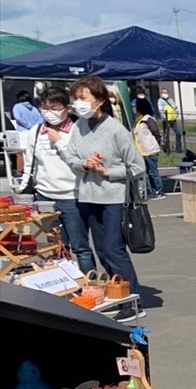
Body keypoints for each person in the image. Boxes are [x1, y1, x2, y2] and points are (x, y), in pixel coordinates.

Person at [59, 75, 146, 316]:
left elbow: (137, 166)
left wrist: (109, 172)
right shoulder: (79, 126)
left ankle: (132, 301)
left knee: (113, 249)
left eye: (82, 98)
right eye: (75, 98)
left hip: (113, 198)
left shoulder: (116, 130)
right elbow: (70, 156)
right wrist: (84, 164)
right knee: (101, 250)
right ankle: (117, 291)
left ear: (99, 100)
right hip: (88, 196)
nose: (77, 103)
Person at [20, 86, 96, 272]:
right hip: (45, 196)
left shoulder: (79, 129)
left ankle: (90, 282)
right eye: (45, 108)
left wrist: (58, 140)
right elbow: (30, 164)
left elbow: (82, 160)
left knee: (80, 246)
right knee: (55, 246)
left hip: (73, 195)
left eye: (54, 108)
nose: (49, 112)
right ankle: (64, 281)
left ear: (67, 108)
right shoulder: (36, 132)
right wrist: (23, 189)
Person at [133, 98, 165, 198]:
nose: (135, 109)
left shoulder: (148, 119)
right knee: (147, 172)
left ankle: (159, 190)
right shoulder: (139, 120)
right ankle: (153, 190)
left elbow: (156, 132)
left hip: (150, 149)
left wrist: (159, 143)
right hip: (142, 151)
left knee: (153, 172)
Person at [157, 88, 181, 154]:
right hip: (166, 120)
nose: (164, 94)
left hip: (173, 119)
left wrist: (176, 114)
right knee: (166, 134)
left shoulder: (171, 100)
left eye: (166, 92)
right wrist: (164, 118)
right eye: (163, 92)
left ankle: (178, 148)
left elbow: (175, 108)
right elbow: (161, 110)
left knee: (178, 133)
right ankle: (166, 147)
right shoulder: (160, 101)